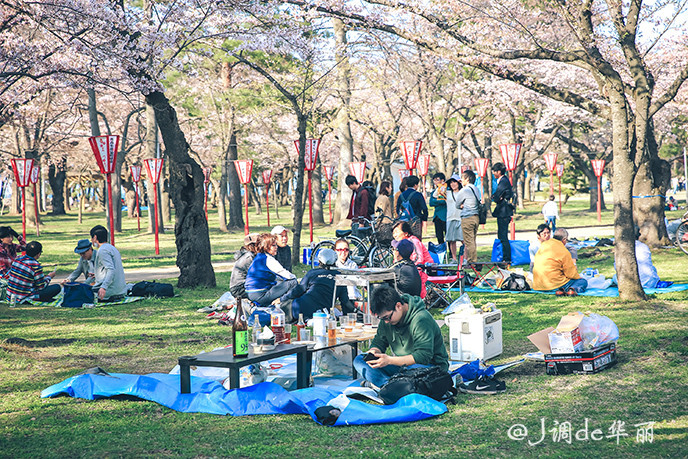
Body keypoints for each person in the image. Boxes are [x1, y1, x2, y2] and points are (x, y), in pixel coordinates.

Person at [353, 285, 449, 390]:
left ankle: (388, 385)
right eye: (381, 318)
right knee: (359, 360)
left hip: (430, 367)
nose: (386, 321)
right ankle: (392, 385)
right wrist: (373, 352)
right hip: (402, 366)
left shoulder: (421, 319)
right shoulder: (387, 320)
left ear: (398, 306)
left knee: (412, 372)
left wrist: (389, 360)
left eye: (387, 317)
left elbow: (423, 357)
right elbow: (379, 342)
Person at [280, 249, 355, 320]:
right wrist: (348, 317)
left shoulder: (312, 273)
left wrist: (282, 299)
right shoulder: (340, 277)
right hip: (323, 313)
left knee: (277, 311)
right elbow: (345, 301)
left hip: (300, 309)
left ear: (319, 261)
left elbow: (298, 289)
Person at [245, 233, 298, 307]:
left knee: (280, 282)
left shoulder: (259, 256)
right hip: (260, 295)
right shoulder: (268, 259)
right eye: (273, 245)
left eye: (276, 245)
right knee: (293, 282)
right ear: (266, 247)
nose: (276, 247)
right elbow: (286, 275)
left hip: (251, 293)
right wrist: (299, 281)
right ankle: (284, 304)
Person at [532, 227, 587, 296]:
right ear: (564, 240)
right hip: (554, 285)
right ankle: (571, 289)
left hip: (538, 284)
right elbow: (570, 273)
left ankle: (561, 290)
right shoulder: (564, 251)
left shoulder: (544, 245)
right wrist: (578, 277)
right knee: (582, 282)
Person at [392, 221, 433, 298]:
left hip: (423, 270)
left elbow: (419, 259)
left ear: (406, 233)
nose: (395, 235)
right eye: (393, 233)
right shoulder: (400, 245)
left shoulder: (413, 241)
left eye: (397, 232)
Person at [90, 225, 127, 301]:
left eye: (92, 238)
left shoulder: (103, 250)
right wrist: (98, 274)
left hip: (110, 291)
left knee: (82, 291)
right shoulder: (112, 248)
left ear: (95, 237)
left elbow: (111, 269)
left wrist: (103, 287)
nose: (91, 240)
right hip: (120, 289)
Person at [456, 169, 481, 264]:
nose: (461, 180)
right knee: (473, 240)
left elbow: (457, 204)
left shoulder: (464, 190)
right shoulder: (476, 189)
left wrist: (462, 205)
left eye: (462, 178)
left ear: (467, 179)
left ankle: (472, 261)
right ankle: (473, 259)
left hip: (467, 217)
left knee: (469, 241)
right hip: (476, 217)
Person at [491, 162, 514, 264]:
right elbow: (497, 196)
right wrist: (496, 197)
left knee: (503, 235)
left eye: (494, 171)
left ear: (499, 172)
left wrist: (496, 197)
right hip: (503, 211)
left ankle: (507, 258)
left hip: (504, 212)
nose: (493, 173)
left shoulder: (503, 181)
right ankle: (505, 257)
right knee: (501, 235)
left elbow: (496, 196)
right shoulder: (503, 181)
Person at [229, 233, 260, 299]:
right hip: (239, 289)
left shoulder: (250, 255)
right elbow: (256, 275)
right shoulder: (249, 257)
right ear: (253, 245)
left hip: (243, 286)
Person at [444, 176, 463, 263]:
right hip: (450, 218)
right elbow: (435, 194)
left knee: (463, 239)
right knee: (452, 240)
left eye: (454, 182)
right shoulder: (447, 193)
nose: (453, 184)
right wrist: (443, 185)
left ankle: (465, 258)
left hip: (460, 217)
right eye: (451, 183)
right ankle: (454, 258)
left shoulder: (463, 192)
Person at [429, 173, 447, 244]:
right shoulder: (434, 192)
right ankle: (442, 253)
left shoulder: (446, 189)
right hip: (437, 217)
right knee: (439, 237)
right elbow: (431, 203)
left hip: (445, 216)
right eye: (434, 180)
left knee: (448, 237)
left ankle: (451, 253)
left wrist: (437, 200)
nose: (435, 182)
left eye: (437, 180)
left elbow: (444, 201)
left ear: (442, 180)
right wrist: (438, 200)